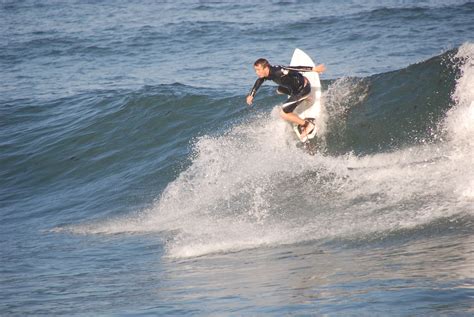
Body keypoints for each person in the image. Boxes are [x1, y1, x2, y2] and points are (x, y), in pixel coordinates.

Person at [246, 58, 326, 138]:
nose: (257, 72)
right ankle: (304, 98)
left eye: (258, 70)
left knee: (284, 113)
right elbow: (259, 81)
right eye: (256, 70)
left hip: (303, 89)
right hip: (295, 88)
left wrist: (314, 69)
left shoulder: (279, 71)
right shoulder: (267, 73)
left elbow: (294, 68)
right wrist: (251, 95)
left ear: (266, 68)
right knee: (279, 90)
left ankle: (307, 124)